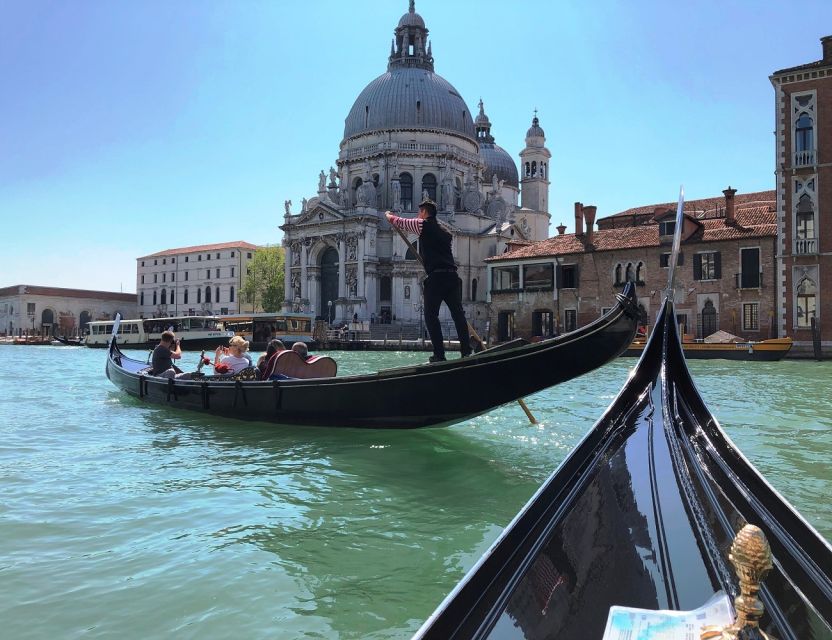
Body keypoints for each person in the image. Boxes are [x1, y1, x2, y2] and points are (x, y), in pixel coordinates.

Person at [385, 199, 472, 362]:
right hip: (452, 277)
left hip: (436, 277)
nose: (418, 215)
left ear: (424, 212)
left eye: (420, 213)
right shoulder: (447, 234)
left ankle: (439, 355)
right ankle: (466, 351)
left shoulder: (422, 225)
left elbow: (400, 222)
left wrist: (389, 215)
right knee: (458, 315)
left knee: (431, 316)